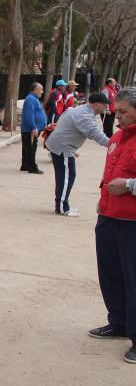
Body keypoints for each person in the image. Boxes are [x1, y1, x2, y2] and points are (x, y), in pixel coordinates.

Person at [89, 87, 136, 364]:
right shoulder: (117, 137)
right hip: (109, 217)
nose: (117, 116)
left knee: (134, 280)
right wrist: (103, 198)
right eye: (116, 111)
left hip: (132, 222)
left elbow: (124, 180)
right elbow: (110, 173)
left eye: (122, 112)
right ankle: (118, 322)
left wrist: (130, 186)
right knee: (111, 274)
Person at [44, 93, 110, 217]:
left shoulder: (82, 110)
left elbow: (64, 119)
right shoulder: (84, 115)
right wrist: (115, 144)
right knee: (66, 177)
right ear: (96, 104)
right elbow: (96, 134)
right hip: (63, 147)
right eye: (105, 104)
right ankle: (63, 208)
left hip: (62, 146)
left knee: (66, 176)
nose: (106, 107)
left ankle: (62, 205)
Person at [20, 82, 47, 174]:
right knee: (31, 148)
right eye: (41, 89)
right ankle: (32, 168)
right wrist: (34, 128)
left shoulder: (33, 99)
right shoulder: (31, 99)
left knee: (27, 147)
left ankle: (25, 165)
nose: (42, 91)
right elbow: (29, 115)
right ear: (35, 90)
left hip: (30, 129)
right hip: (30, 129)